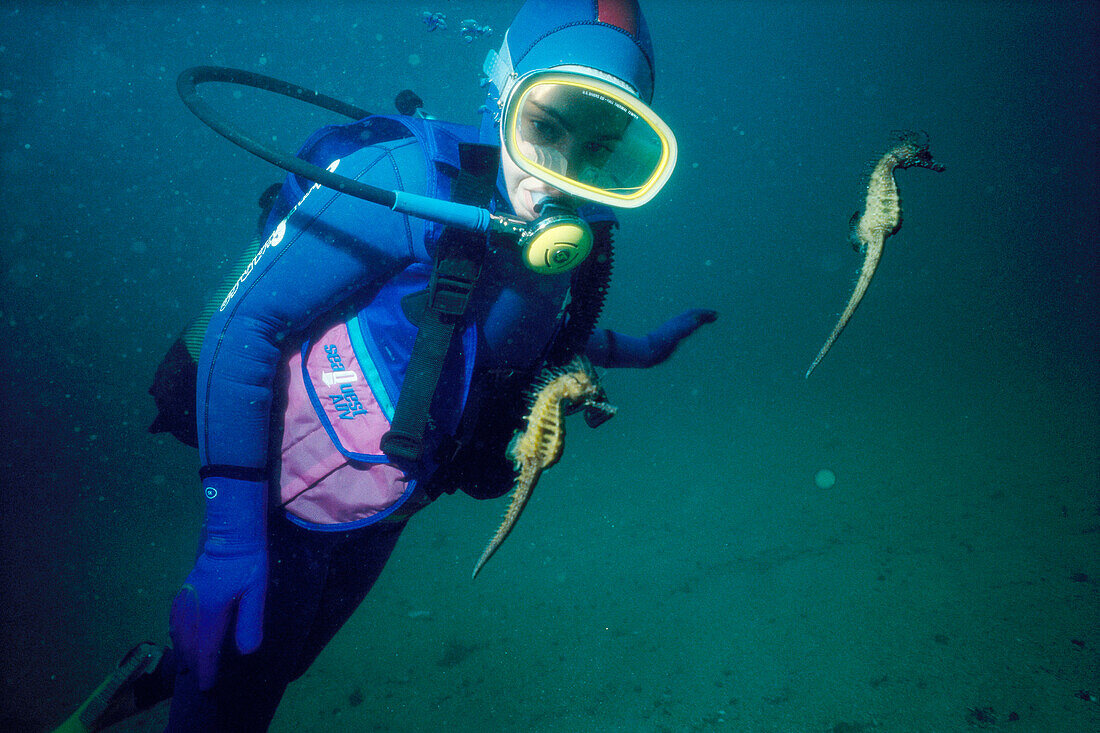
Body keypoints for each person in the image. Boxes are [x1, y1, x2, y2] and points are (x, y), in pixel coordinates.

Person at [59, 1, 716, 730]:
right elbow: (244, 328)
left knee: (287, 656)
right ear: (504, 92)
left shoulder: (572, 238)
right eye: (545, 127)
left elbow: (529, 340)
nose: (561, 175)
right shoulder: (405, 179)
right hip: (288, 508)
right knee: (236, 697)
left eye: (600, 149)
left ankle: (151, 671)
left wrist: (643, 349)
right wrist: (231, 536)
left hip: (390, 506)